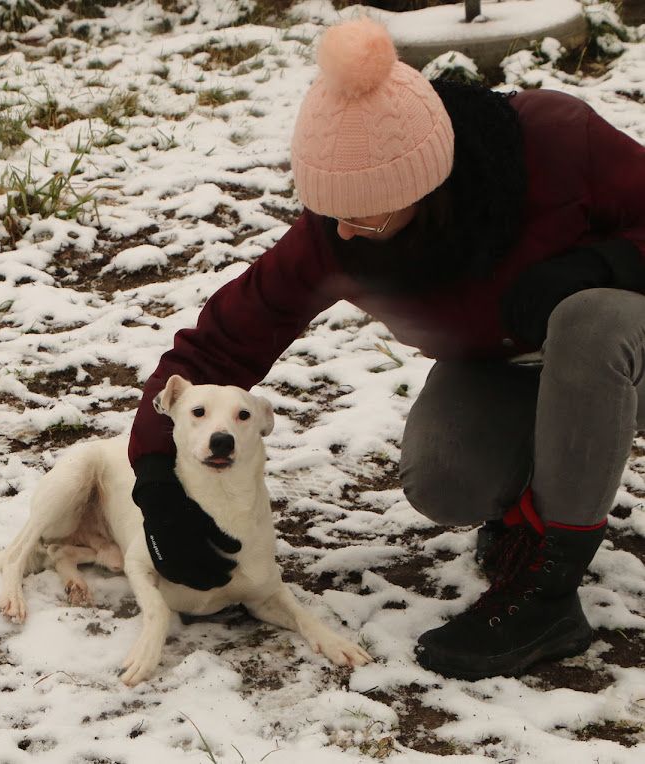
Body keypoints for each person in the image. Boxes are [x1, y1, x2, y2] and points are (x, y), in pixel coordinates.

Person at [127, 17, 645, 680]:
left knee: (590, 321)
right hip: (513, 366)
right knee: (443, 475)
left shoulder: (555, 140)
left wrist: (601, 264)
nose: (344, 228)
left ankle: (546, 598)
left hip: (627, 347)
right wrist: (154, 477)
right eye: (329, 209)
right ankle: (528, 519)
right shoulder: (342, 235)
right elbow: (220, 347)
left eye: (363, 212)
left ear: (425, 182)